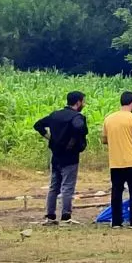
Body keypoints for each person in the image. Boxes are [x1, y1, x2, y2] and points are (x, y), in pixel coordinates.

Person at [34, 90, 87, 225]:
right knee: (67, 187)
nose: (84, 104)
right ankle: (66, 216)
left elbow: (38, 125)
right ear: (78, 102)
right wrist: (74, 140)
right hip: (70, 157)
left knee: (54, 187)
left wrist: (50, 138)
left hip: (55, 156)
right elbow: (79, 127)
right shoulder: (77, 117)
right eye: (83, 102)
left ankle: (50, 216)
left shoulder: (55, 115)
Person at [101, 91, 132, 229]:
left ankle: (116, 221)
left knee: (116, 192)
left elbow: (104, 140)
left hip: (115, 162)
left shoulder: (109, 119)